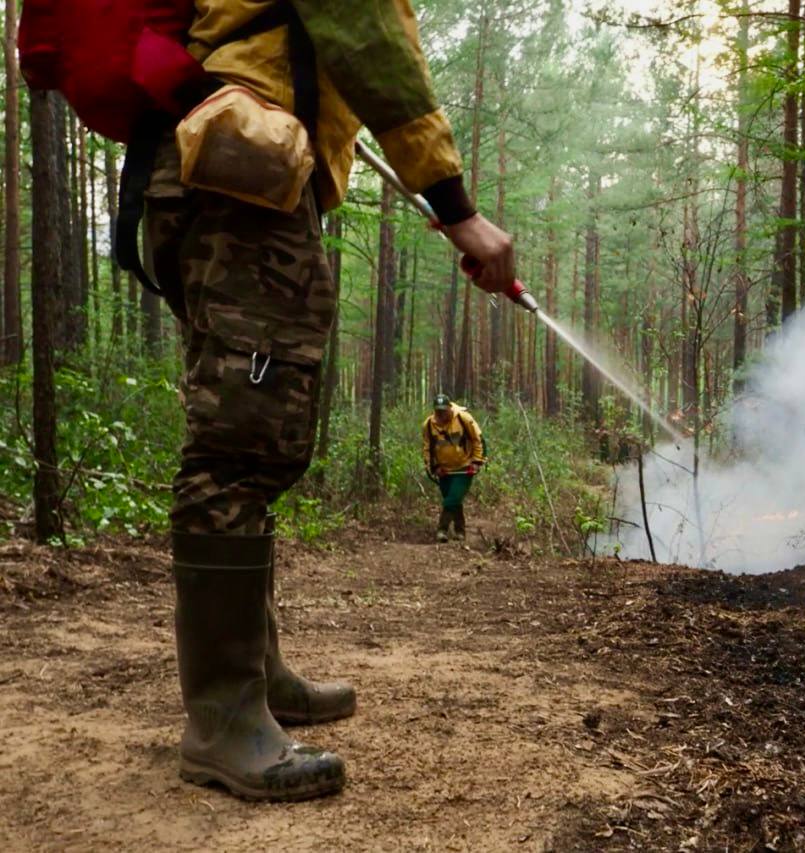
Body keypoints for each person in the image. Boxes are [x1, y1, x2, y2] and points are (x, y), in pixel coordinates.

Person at [143, 0, 515, 802]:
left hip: (228, 166)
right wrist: (457, 207)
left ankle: (257, 675)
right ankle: (224, 718)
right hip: (243, 173)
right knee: (238, 447)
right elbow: (368, 32)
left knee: (254, 432)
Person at [422, 394, 486, 542]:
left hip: (464, 468)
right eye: (438, 411)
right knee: (453, 500)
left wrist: (476, 461)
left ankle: (442, 529)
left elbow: (478, 440)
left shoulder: (463, 418)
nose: (441, 414)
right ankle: (460, 531)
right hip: (444, 470)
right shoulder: (429, 425)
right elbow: (427, 448)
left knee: (453, 498)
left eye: (443, 411)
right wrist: (434, 467)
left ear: (449, 408)